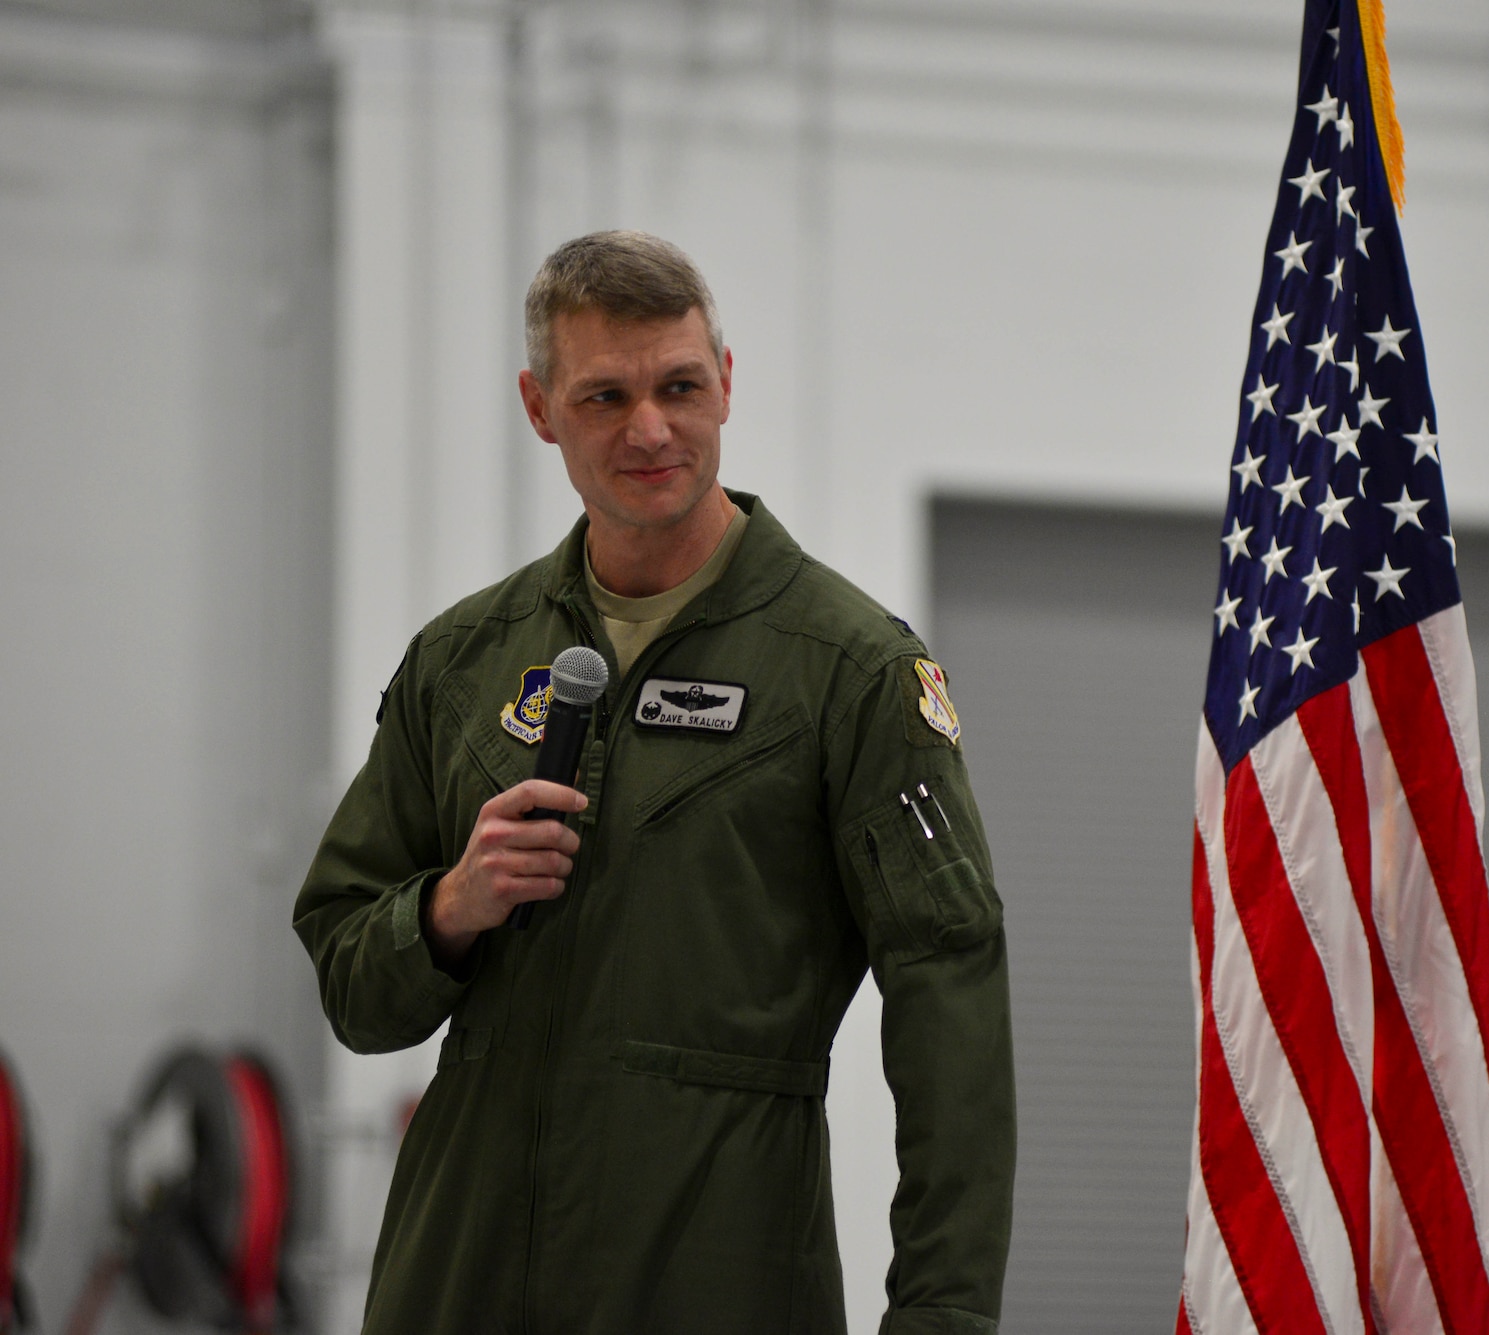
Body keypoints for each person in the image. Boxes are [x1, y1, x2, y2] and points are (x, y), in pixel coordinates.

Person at [294, 231, 1015, 1334]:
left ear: (725, 384)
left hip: (715, 1276)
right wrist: (450, 908)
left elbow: (949, 1009)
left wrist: (942, 1317)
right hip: (457, 1277)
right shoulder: (463, 660)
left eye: (679, 386)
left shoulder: (851, 672)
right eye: (603, 397)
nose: (650, 429)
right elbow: (350, 984)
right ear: (539, 409)